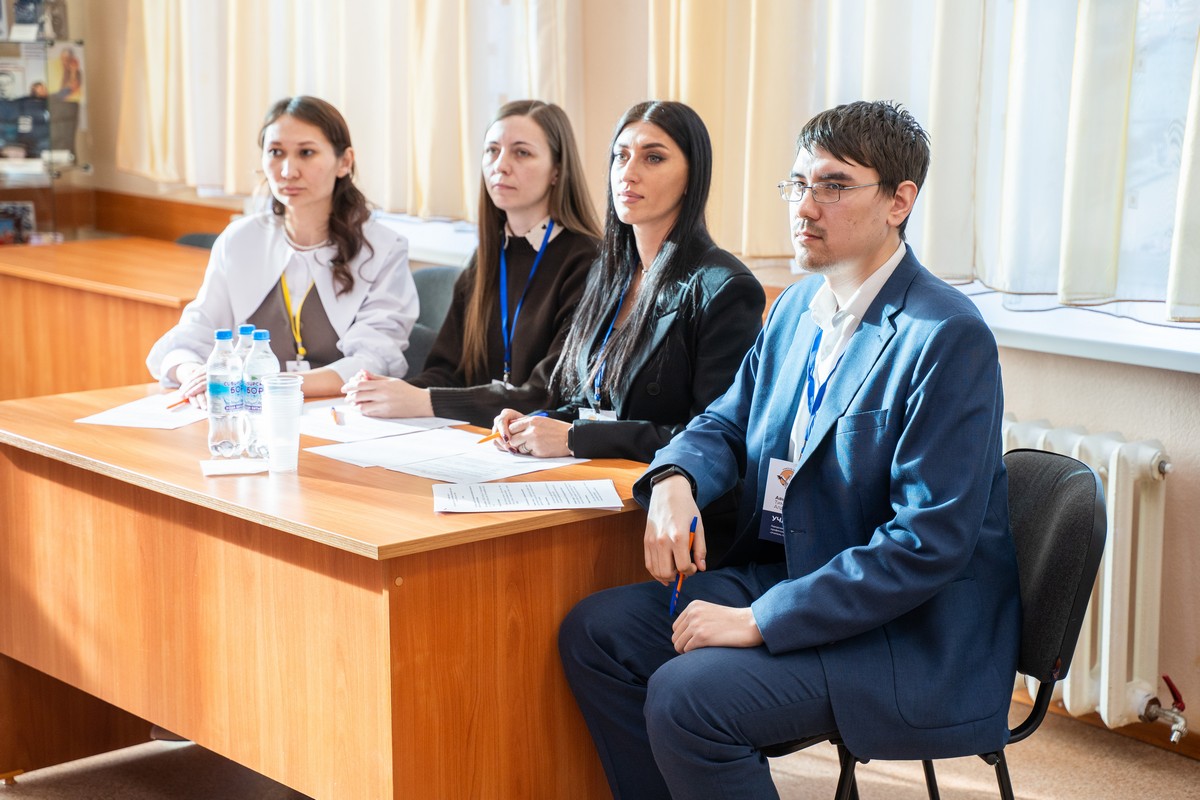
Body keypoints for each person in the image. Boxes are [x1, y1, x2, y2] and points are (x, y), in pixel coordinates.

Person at [557, 100, 1021, 800]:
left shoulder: (945, 336)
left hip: (898, 628)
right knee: (596, 634)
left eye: (833, 186)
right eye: (799, 184)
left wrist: (759, 621)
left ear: (899, 202)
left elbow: (925, 543)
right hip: (788, 570)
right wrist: (676, 477)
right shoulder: (797, 309)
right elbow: (723, 422)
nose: (805, 206)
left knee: (688, 697)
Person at [490, 100, 764, 463]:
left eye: (653, 158)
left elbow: (714, 436)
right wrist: (535, 423)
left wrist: (575, 438)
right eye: (621, 156)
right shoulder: (608, 271)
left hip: (658, 488)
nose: (628, 173)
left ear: (692, 176)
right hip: (589, 478)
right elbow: (589, 405)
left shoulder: (726, 288)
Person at [342, 100, 601, 427]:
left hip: (536, 440)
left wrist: (424, 400)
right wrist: (390, 391)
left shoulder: (587, 260)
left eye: (522, 153)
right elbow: (448, 371)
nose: (500, 165)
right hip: (473, 437)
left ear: (557, 170)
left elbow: (548, 394)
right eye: (492, 150)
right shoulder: (488, 255)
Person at [147, 95, 417, 406]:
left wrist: (266, 385)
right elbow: (189, 338)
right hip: (249, 409)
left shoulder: (383, 248)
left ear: (344, 162)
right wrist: (197, 376)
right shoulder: (239, 240)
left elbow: (374, 360)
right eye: (276, 152)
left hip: (340, 413)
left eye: (306, 153)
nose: (288, 171)